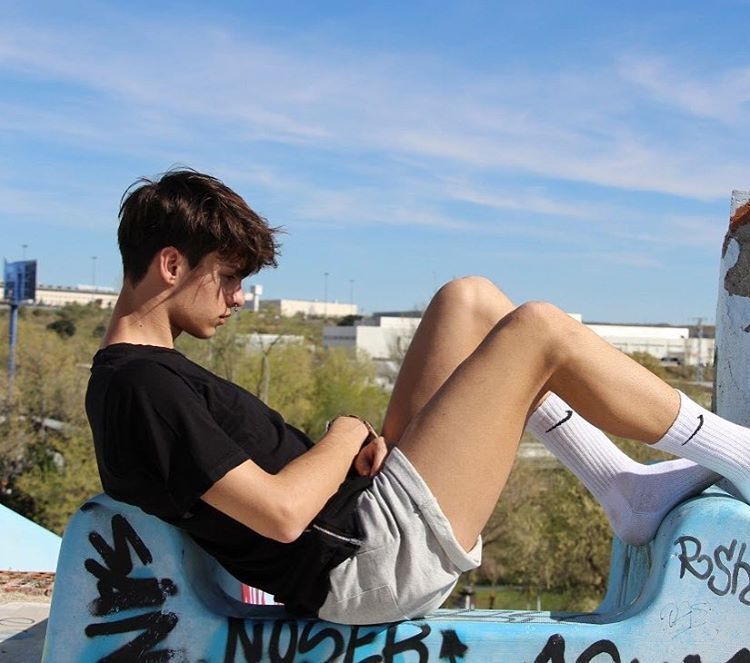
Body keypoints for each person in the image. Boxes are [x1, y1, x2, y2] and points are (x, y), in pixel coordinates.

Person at [86, 168, 748, 626]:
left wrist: (352, 447)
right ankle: (738, 451)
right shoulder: (142, 384)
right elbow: (282, 514)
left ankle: (619, 487)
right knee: (539, 329)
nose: (237, 297)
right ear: (171, 265)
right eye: (229, 277)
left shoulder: (145, 378)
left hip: (365, 524)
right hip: (367, 559)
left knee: (470, 300)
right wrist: (347, 433)